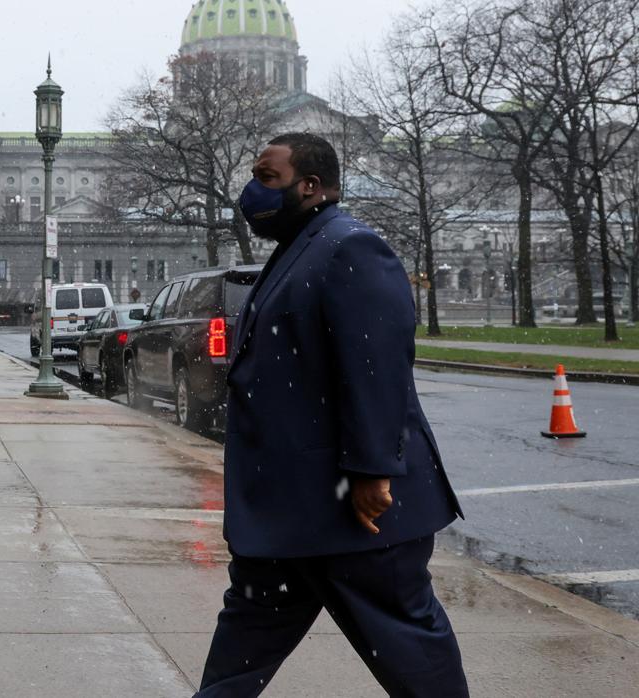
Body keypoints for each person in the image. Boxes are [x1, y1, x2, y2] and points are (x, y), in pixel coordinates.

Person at [195, 133, 468, 697]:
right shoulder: (299, 246)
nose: (252, 191)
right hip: (286, 518)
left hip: (354, 515)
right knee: (237, 660)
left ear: (310, 185)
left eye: (267, 178)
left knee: (413, 655)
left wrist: (372, 471)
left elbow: (377, 368)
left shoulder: (349, 247)